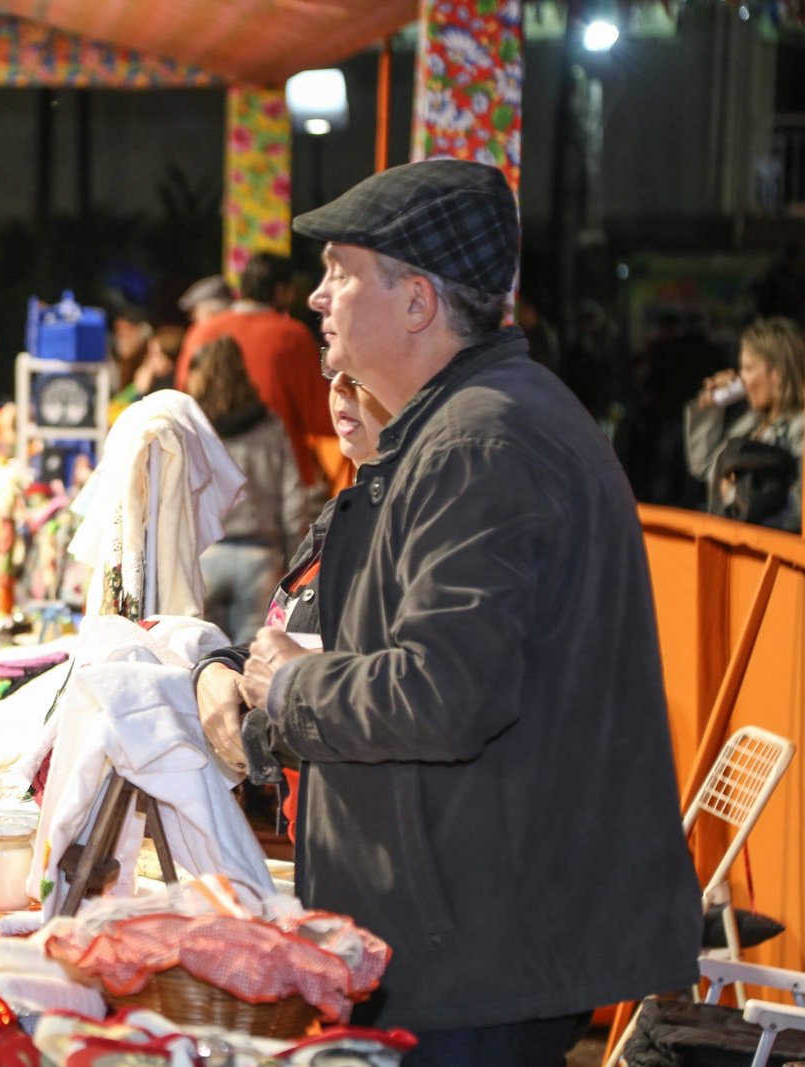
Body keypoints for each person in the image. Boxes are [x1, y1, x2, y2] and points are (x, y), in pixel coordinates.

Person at [199, 160, 700, 1063]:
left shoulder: (480, 441)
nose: (316, 296)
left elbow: (443, 691)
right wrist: (236, 679)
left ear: (418, 301)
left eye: (341, 272)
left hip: (474, 954)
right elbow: (376, 639)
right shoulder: (456, 427)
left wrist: (287, 687)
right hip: (465, 933)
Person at [196, 362, 392, 837]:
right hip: (256, 550)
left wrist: (263, 711)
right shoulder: (343, 511)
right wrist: (214, 670)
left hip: (359, 831)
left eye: (360, 374)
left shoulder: (406, 526)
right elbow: (279, 645)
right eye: (334, 371)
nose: (340, 389)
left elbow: (390, 695)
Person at [172, 252, 332, 493]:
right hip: (277, 472)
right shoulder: (293, 336)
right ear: (282, 290)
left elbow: (181, 402)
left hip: (210, 470)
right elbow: (320, 416)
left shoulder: (201, 332)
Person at [186, 335, 307, 645]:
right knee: (252, 658)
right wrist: (295, 563)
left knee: (203, 658)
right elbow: (293, 500)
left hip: (205, 557)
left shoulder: (194, 429)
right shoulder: (270, 425)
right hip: (260, 559)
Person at [684, 316, 805, 530]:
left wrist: (737, 496)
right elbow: (703, 466)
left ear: (777, 374)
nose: (743, 380)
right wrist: (712, 406)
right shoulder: (749, 423)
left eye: (749, 369)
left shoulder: (799, 428)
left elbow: (796, 511)